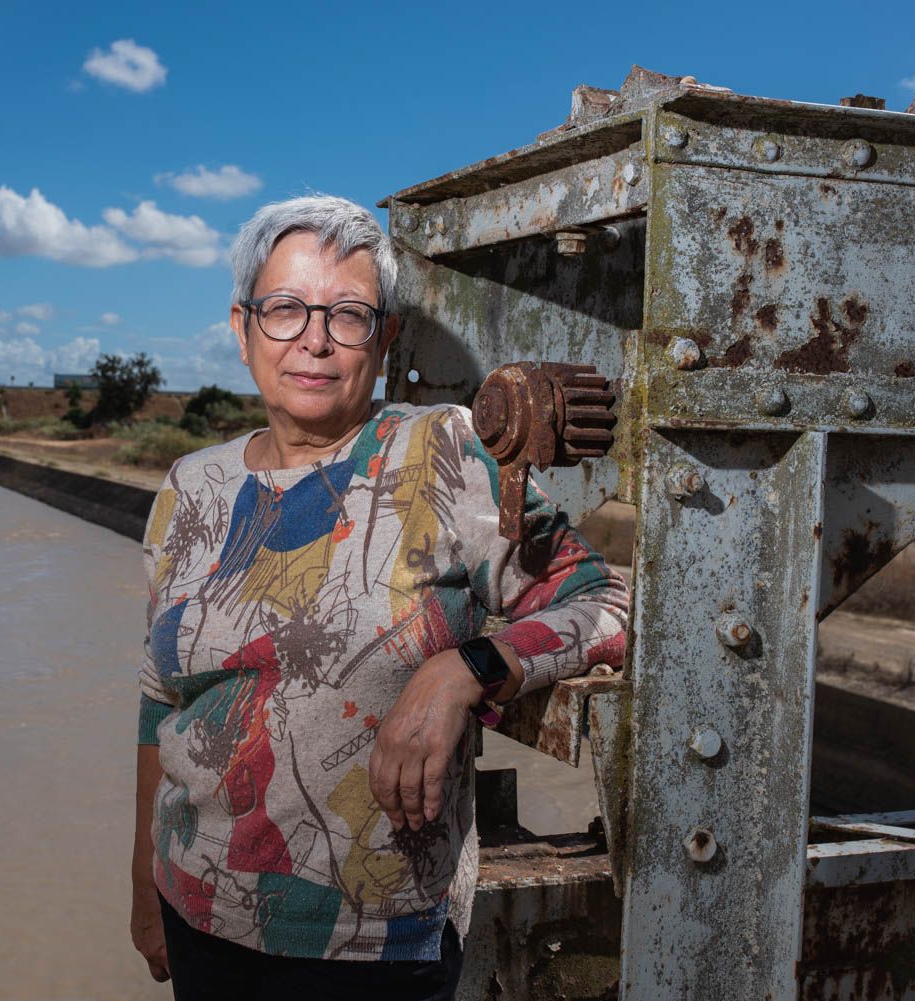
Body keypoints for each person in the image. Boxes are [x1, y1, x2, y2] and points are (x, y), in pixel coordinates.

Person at [130, 195, 628, 1000]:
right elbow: (160, 702)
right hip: (196, 911)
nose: (315, 341)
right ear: (242, 325)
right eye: (285, 310)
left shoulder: (444, 453)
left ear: (386, 336)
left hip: (376, 948)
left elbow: (607, 599)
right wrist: (142, 888)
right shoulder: (192, 485)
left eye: (349, 315)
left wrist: (464, 670)